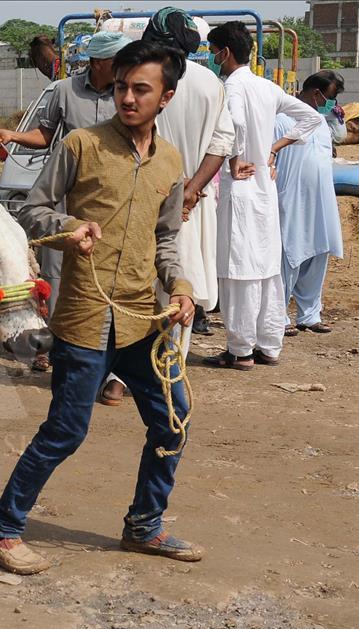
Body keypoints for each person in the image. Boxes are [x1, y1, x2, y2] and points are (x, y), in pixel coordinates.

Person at [0, 41, 201, 575]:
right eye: (121, 86)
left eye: (140, 89)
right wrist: (70, 228)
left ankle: (145, 525)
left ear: (165, 97)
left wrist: (183, 287)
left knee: (173, 419)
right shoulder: (81, 145)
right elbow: (30, 212)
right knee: (67, 430)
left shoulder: (171, 161)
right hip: (84, 316)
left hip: (144, 318)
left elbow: (166, 240)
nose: (126, 97)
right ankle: (0, 528)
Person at [0, 30, 132, 375]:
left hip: (109, 195)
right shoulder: (64, 91)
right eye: (117, 62)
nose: (123, 70)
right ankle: (47, 344)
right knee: (54, 268)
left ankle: (102, 346)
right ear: (99, 63)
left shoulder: (125, 95)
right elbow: (45, 136)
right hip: (64, 192)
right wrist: (12, 135)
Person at [200, 22, 322, 371]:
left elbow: (235, 122)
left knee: (238, 271)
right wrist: (273, 150)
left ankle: (240, 349)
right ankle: (269, 345)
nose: (211, 57)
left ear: (224, 52)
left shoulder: (231, 87)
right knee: (267, 270)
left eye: (212, 51)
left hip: (240, 188)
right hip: (264, 192)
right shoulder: (267, 87)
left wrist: (237, 157)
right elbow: (311, 117)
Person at [142, 7, 235, 348]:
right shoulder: (210, 82)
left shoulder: (140, 81)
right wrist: (191, 190)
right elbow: (222, 142)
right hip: (190, 207)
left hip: (143, 202)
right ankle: (173, 366)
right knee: (183, 287)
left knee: (139, 288)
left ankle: (120, 378)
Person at [276, 72, 345, 337]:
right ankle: (278, 316)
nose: (332, 103)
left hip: (322, 201)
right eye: (330, 97)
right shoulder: (282, 120)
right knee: (288, 257)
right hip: (291, 200)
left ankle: (310, 315)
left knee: (318, 255)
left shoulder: (321, 123)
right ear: (316, 93)